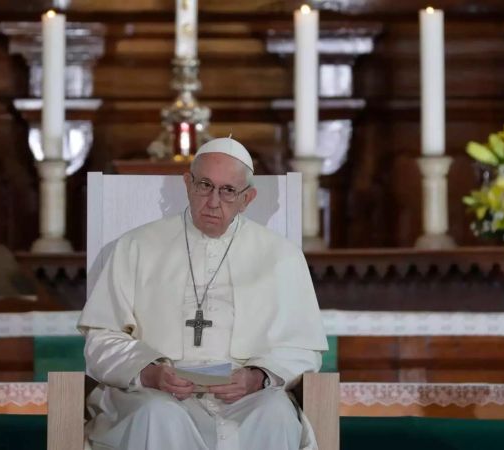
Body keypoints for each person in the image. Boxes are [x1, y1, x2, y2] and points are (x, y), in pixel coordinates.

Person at [78, 137, 328, 450]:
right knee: (157, 414)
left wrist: (259, 376)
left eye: (227, 191)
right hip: (154, 396)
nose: (213, 201)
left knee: (275, 414)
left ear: (246, 199)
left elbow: (303, 348)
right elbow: (101, 338)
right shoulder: (136, 247)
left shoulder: (282, 256)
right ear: (187, 183)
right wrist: (150, 373)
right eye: (204, 185)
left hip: (247, 400)